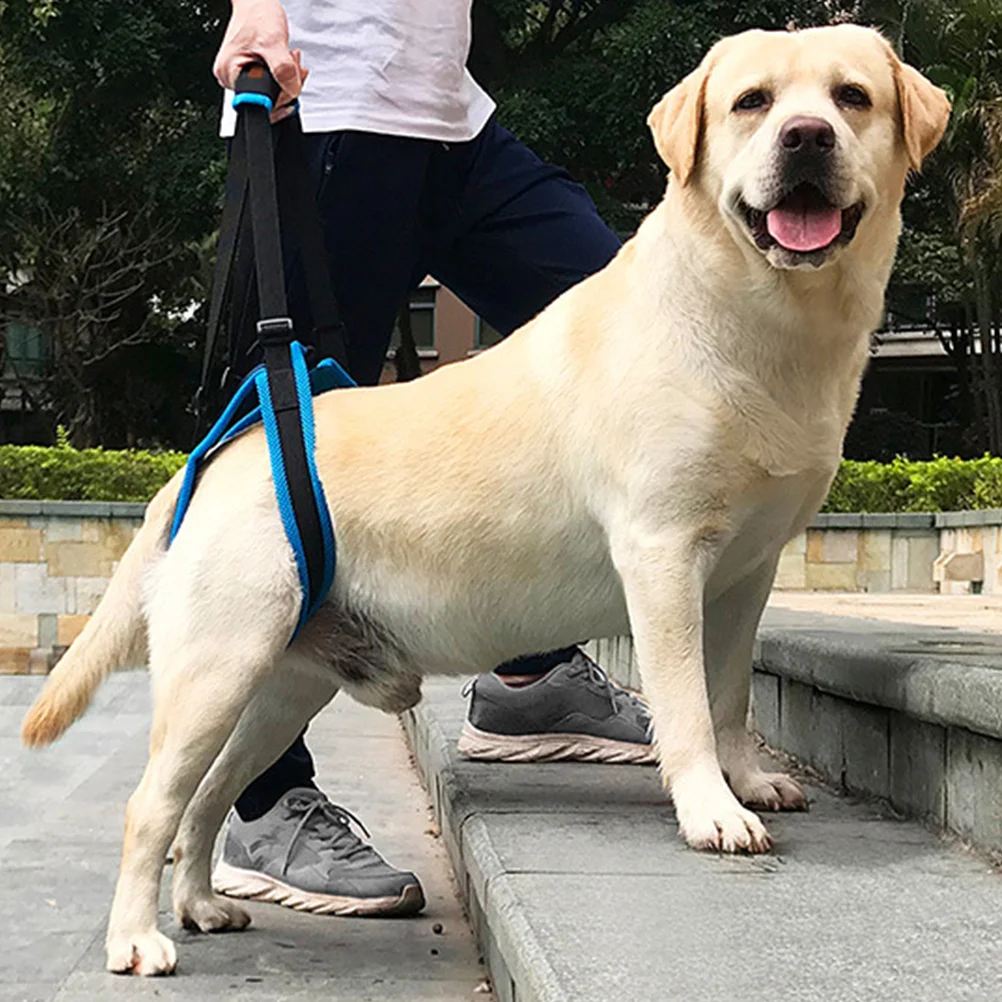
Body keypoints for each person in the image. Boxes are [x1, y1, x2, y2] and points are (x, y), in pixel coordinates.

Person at [209, 0, 655, 919]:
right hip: (323, 106)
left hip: (451, 117)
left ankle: (529, 672)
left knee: (628, 329)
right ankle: (259, 799)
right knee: (286, 458)